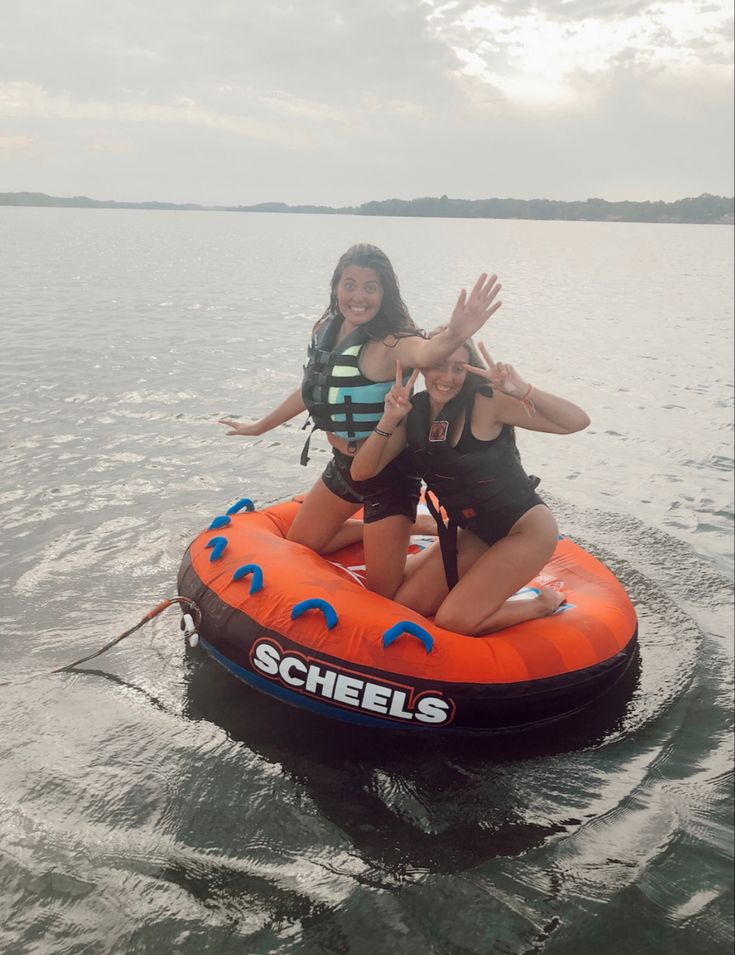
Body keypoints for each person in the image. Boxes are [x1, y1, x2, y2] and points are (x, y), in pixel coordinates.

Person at [219, 244, 502, 597]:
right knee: (303, 545)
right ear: (336, 287)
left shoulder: (392, 341)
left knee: (383, 592)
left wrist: (457, 333)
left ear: (385, 293)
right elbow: (313, 389)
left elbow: (427, 351)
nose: (358, 296)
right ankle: (399, 528)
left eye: (371, 287)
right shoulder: (324, 328)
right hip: (344, 465)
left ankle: (431, 539)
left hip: (388, 475)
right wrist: (261, 426)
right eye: (349, 284)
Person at [350, 335, 591, 633]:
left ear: (468, 371)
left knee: (454, 620)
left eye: (459, 368)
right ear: (423, 367)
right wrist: (389, 420)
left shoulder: (487, 402)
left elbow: (576, 421)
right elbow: (361, 472)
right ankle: (477, 588)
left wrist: (523, 389)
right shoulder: (414, 411)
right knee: (406, 605)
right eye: (439, 366)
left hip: (524, 530)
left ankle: (541, 604)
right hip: (475, 532)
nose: (448, 378)